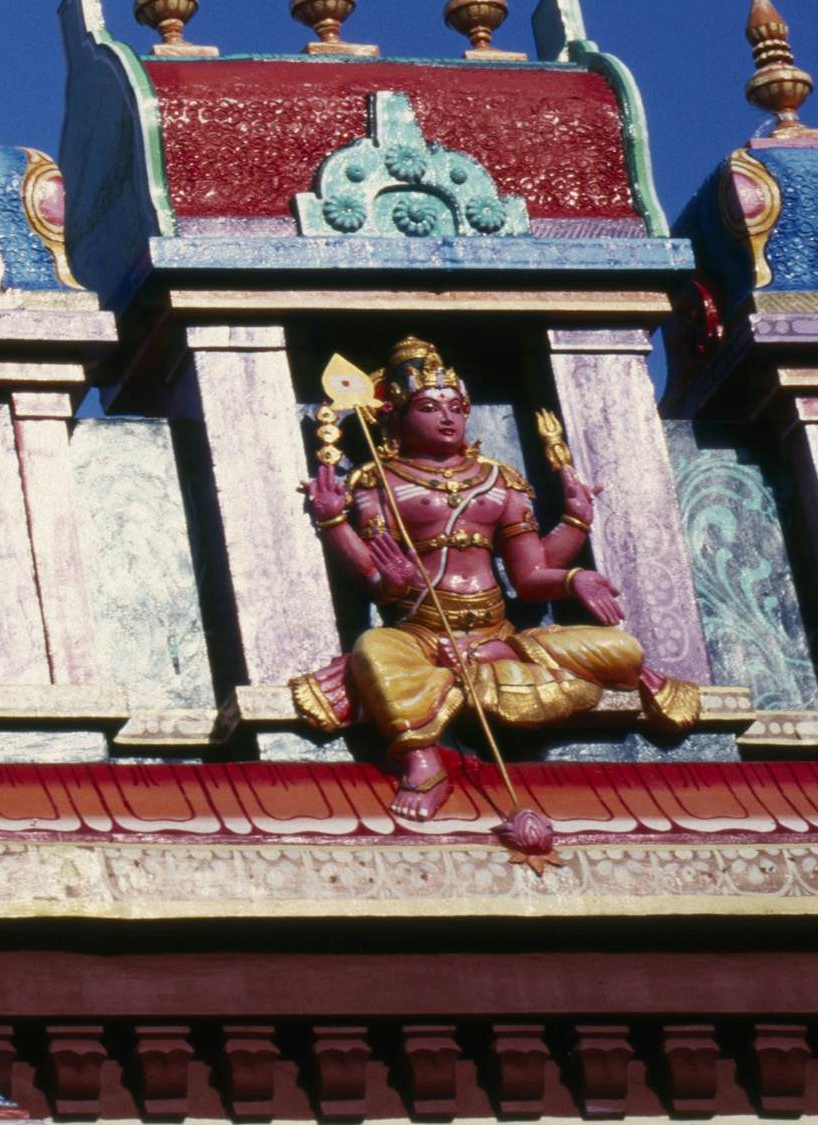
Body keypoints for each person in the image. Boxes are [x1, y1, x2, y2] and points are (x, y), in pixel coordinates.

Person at [295, 335, 696, 816]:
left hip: (498, 631)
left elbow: (529, 576)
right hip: (421, 634)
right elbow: (374, 579)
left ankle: (489, 655)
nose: (447, 417)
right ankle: (423, 763)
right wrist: (337, 524)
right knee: (373, 651)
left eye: (457, 406)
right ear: (396, 417)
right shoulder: (377, 481)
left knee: (624, 650)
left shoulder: (499, 480)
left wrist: (575, 547)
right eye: (428, 406)